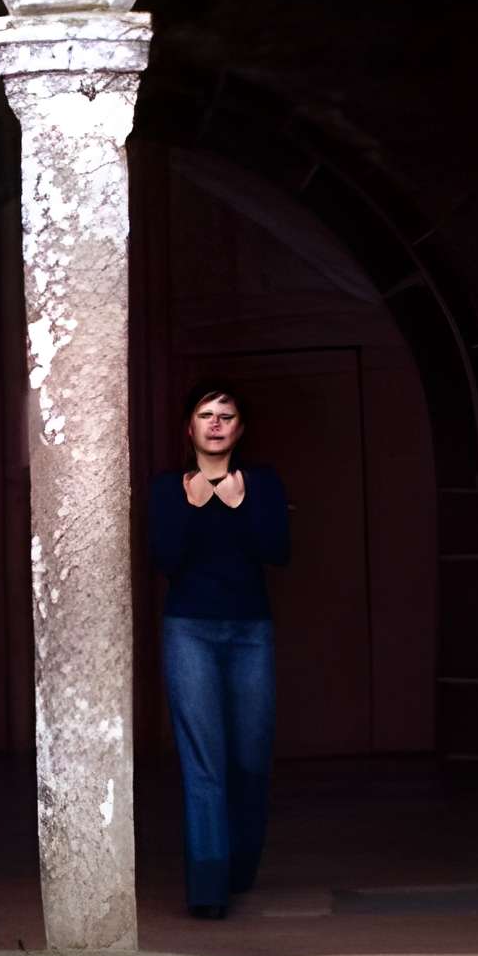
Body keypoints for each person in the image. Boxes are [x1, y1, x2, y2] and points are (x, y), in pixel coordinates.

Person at [148, 379, 291, 920]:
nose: (214, 423)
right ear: (190, 428)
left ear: (239, 429)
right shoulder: (167, 487)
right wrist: (190, 507)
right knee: (204, 761)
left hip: (251, 632)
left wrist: (240, 506)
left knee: (250, 759)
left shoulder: (263, 483)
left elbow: (279, 552)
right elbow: (164, 560)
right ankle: (208, 887)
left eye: (225, 415)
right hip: (190, 632)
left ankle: (240, 868)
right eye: (205, 415)